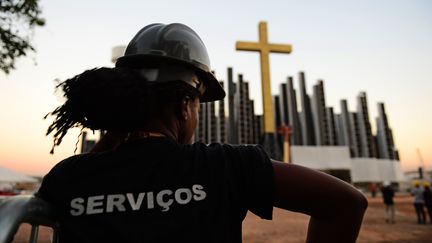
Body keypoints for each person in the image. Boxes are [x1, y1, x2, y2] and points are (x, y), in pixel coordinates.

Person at [37, 23, 367, 243]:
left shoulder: (67, 178)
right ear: (184, 106)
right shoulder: (224, 166)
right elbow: (347, 203)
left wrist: (115, 132)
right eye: (198, 103)